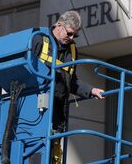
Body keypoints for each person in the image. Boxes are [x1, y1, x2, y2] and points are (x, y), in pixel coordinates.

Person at [31, 10, 104, 164]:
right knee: (33, 149)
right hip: (34, 108)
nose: (71, 39)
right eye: (69, 33)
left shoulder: (72, 51)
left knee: (53, 153)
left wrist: (91, 90)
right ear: (58, 25)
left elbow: (71, 82)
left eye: (74, 36)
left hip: (57, 109)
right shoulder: (39, 40)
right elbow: (25, 70)